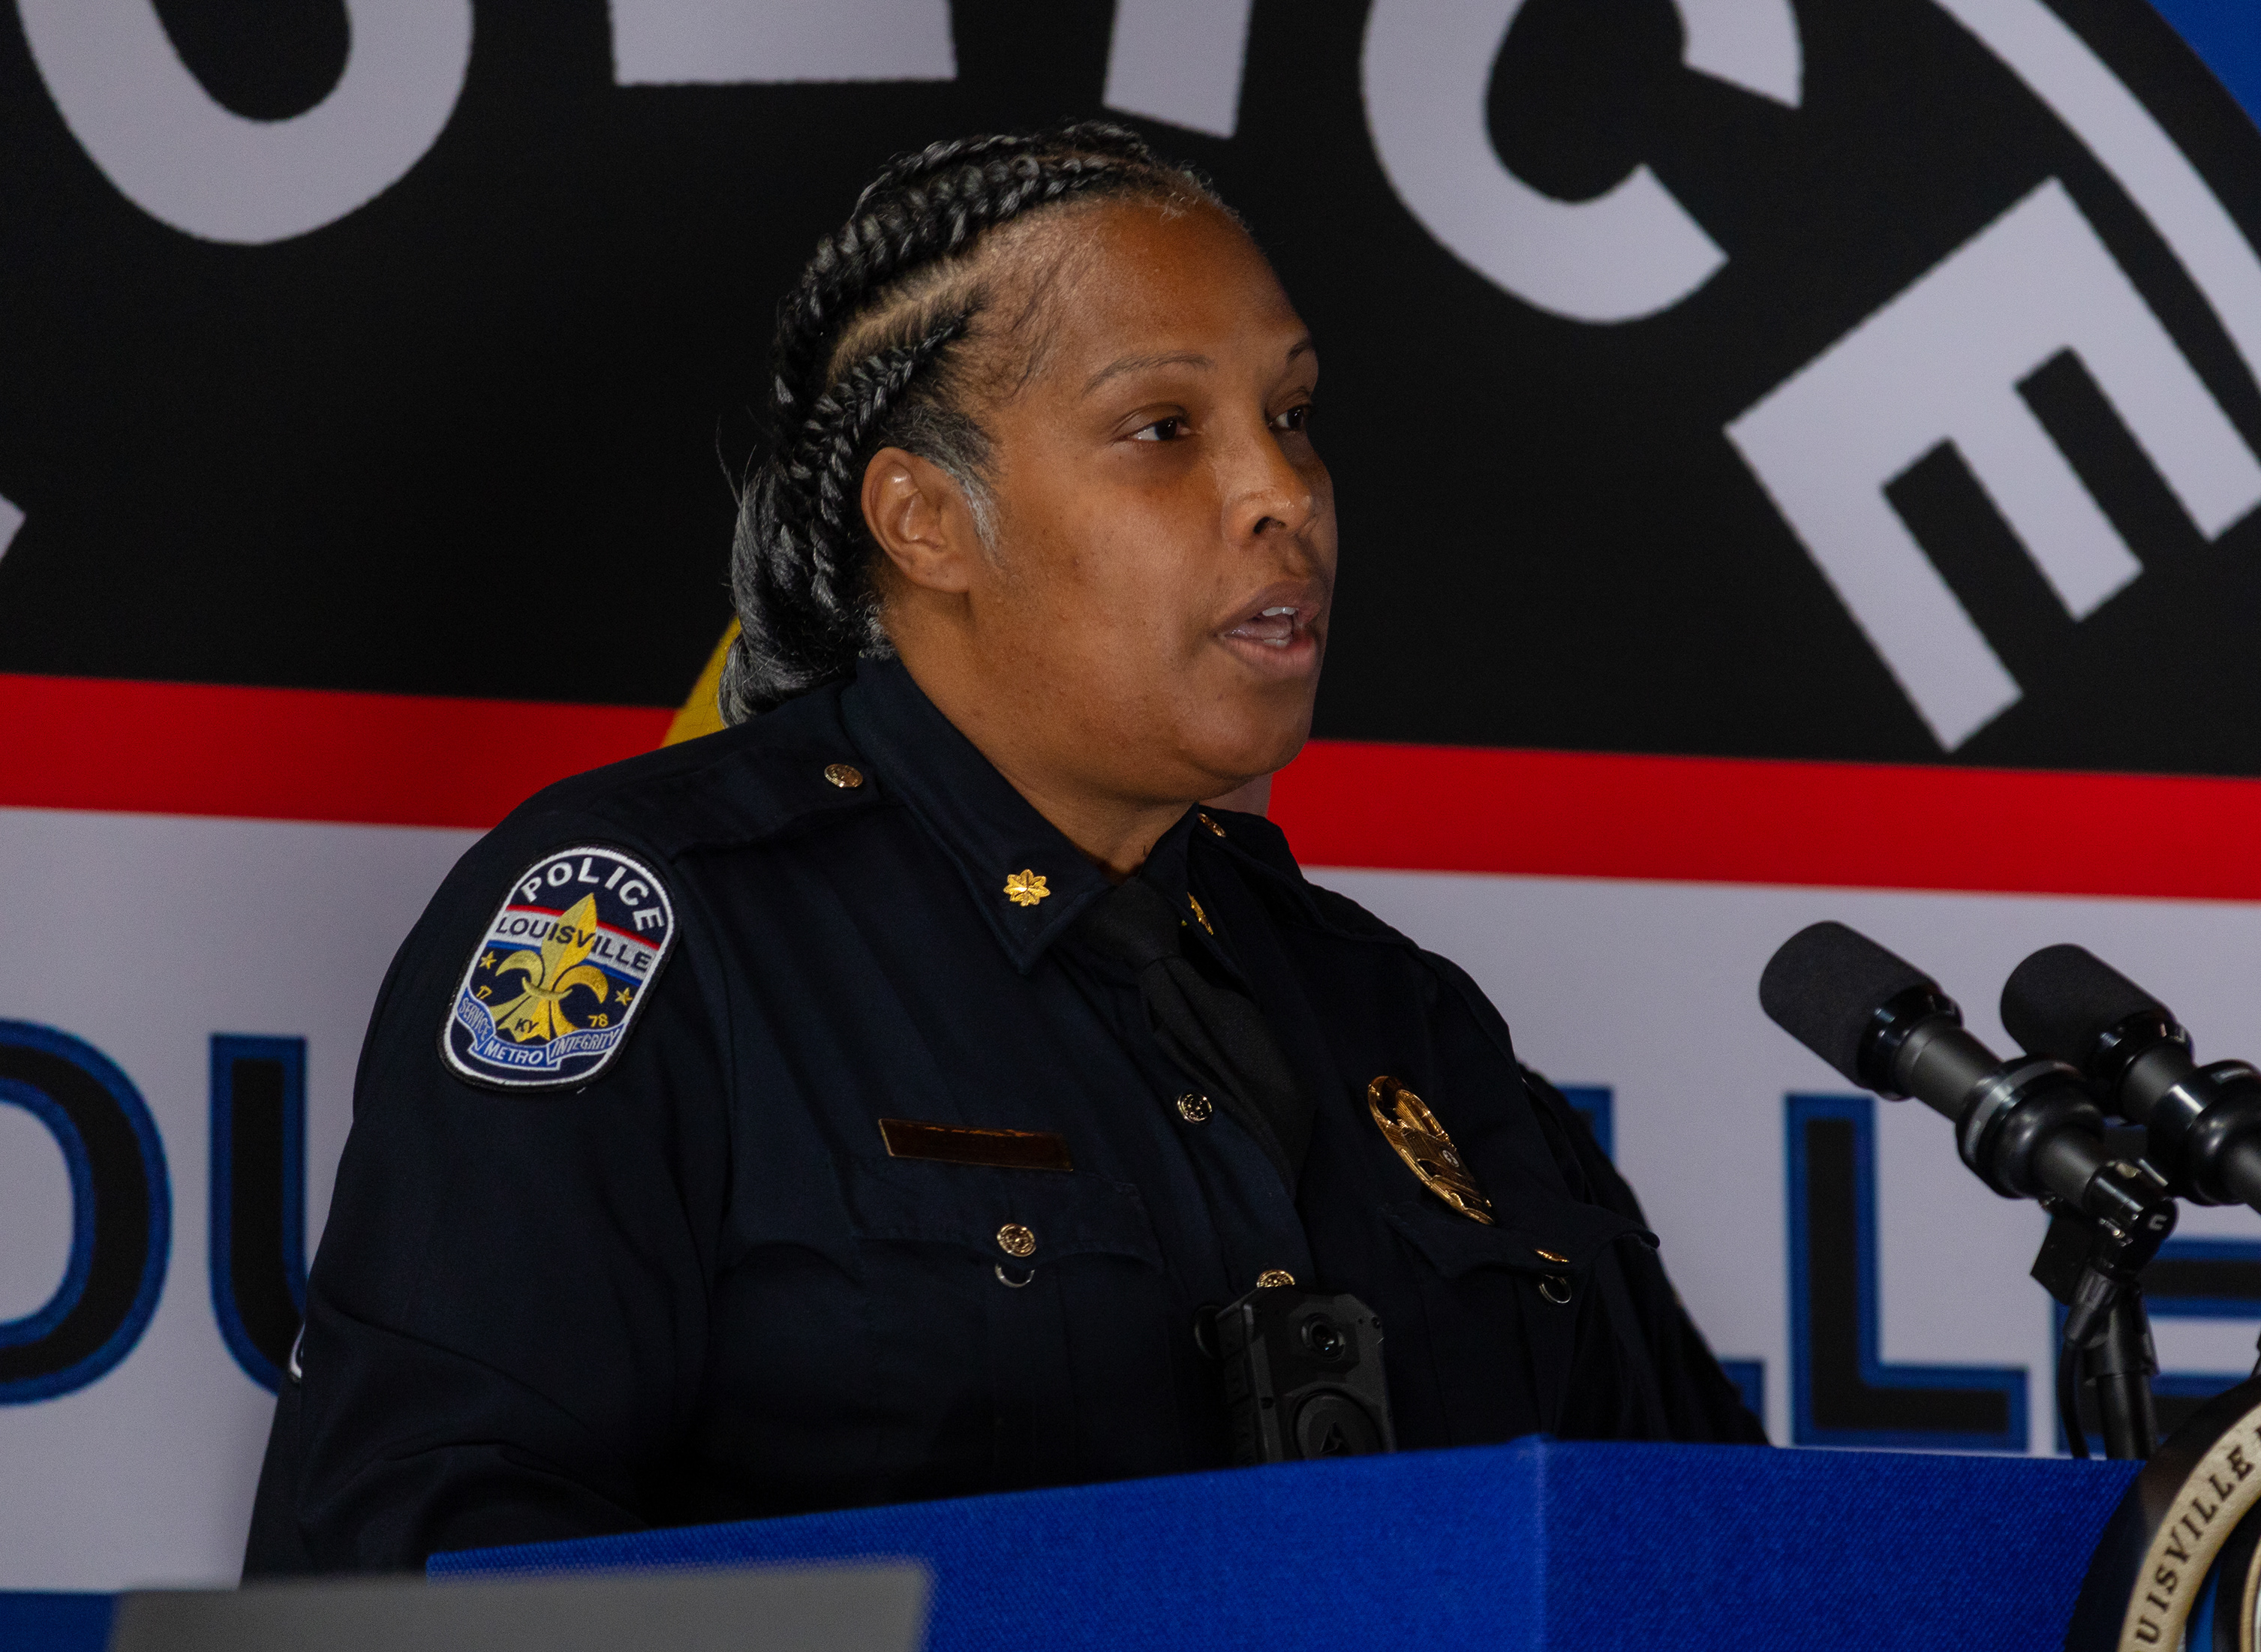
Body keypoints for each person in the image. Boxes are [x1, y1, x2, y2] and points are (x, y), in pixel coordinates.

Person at [246, 124, 1760, 1574]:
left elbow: (1712, 1580)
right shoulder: (665, 926)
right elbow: (421, 1596)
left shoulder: (1404, 1017)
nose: (1281, 494)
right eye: (1164, 430)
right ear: (925, 522)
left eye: (1291, 416)